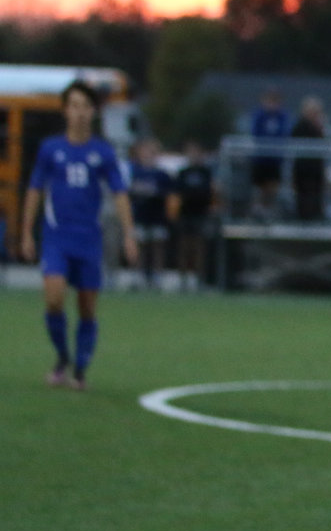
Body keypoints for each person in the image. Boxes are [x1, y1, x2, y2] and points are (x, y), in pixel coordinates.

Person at [17, 81, 135, 390]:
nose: (80, 113)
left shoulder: (103, 152)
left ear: (93, 112)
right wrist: (26, 233)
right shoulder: (50, 149)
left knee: (86, 307)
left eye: (85, 106)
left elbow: (120, 194)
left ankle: (80, 370)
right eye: (74, 106)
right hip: (57, 237)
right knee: (54, 298)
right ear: (65, 110)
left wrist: (129, 235)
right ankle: (61, 357)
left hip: (89, 240)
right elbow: (35, 190)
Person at [125, 138, 173, 285]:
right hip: (140, 215)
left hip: (156, 215)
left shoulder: (161, 174)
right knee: (141, 245)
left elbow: (168, 194)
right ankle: (138, 275)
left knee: (157, 245)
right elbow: (127, 192)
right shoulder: (134, 171)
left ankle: (158, 275)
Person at [172, 140, 217, 287]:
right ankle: (183, 279)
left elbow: (211, 192)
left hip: (201, 213)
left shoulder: (206, 172)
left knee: (199, 247)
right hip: (185, 213)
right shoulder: (183, 173)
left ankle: (199, 279)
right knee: (184, 247)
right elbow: (176, 194)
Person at [248, 88, 289, 217]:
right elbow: (255, 132)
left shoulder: (282, 116)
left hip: (275, 158)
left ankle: (270, 210)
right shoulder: (259, 115)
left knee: (273, 185)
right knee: (259, 186)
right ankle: (257, 210)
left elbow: (284, 133)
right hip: (261, 158)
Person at [290, 97, 329, 222]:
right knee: (303, 195)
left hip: (316, 168)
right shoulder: (299, 126)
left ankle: (316, 215)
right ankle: (303, 218)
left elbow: (327, 143)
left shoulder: (321, 127)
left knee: (317, 193)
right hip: (303, 168)